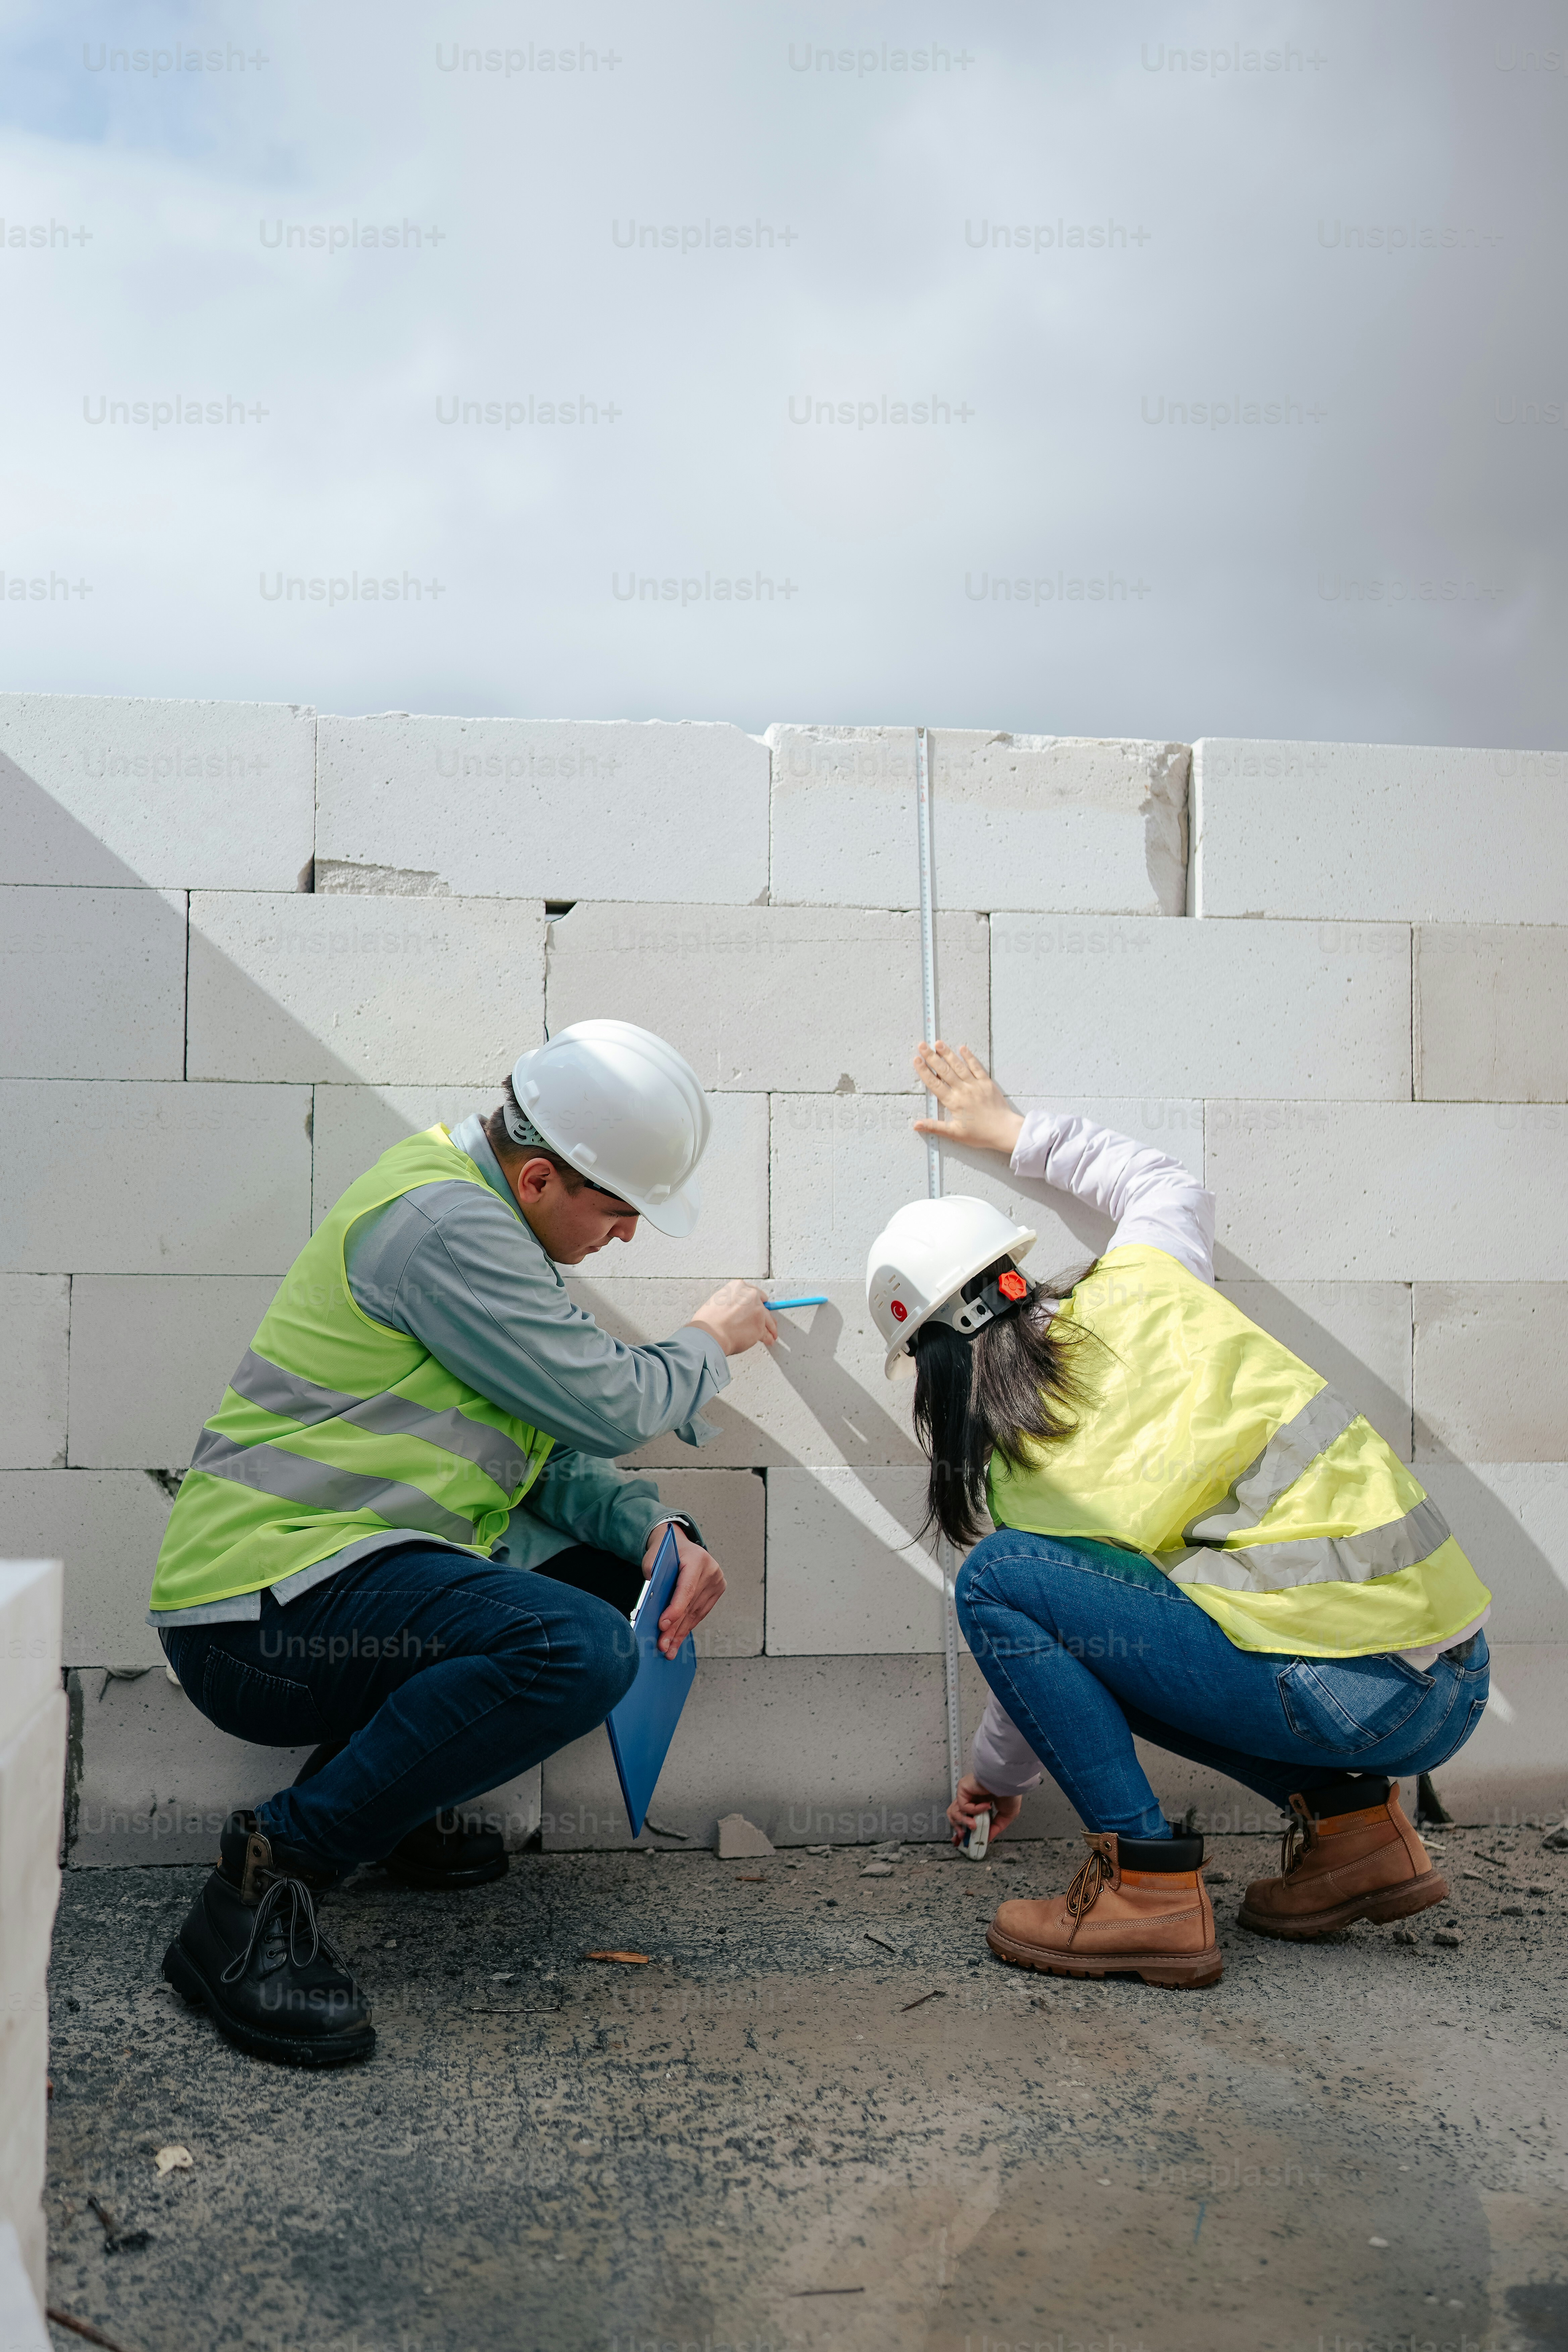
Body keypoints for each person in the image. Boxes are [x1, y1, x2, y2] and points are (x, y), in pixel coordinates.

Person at [150, 1020, 776, 2064]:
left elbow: (544, 1454)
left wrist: (656, 1530)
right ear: (539, 1178)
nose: (624, 1238)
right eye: (620, 1212)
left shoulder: (484, 1224)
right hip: (260, 1615)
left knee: (603, 1581)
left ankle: (394, 1802)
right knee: (574, 1649)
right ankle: (261, 1886)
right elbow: (612, 1402)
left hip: (330, 1590)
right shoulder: (449, 1230)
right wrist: (711, 1340)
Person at [866, 1040, 1492, 1991]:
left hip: (1352, 1701)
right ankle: (1355, 1835)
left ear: (932, 1365)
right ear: (1016, 1277)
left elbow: (1046, 1658)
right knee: (1144, 1632)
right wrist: (1015, 1132)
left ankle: (1148, 1889)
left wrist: (997, 1779)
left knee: (1000, 1583)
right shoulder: (1149, 1279)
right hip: (1456, 1677)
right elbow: (1163, 1182)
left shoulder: (1021, 1479)